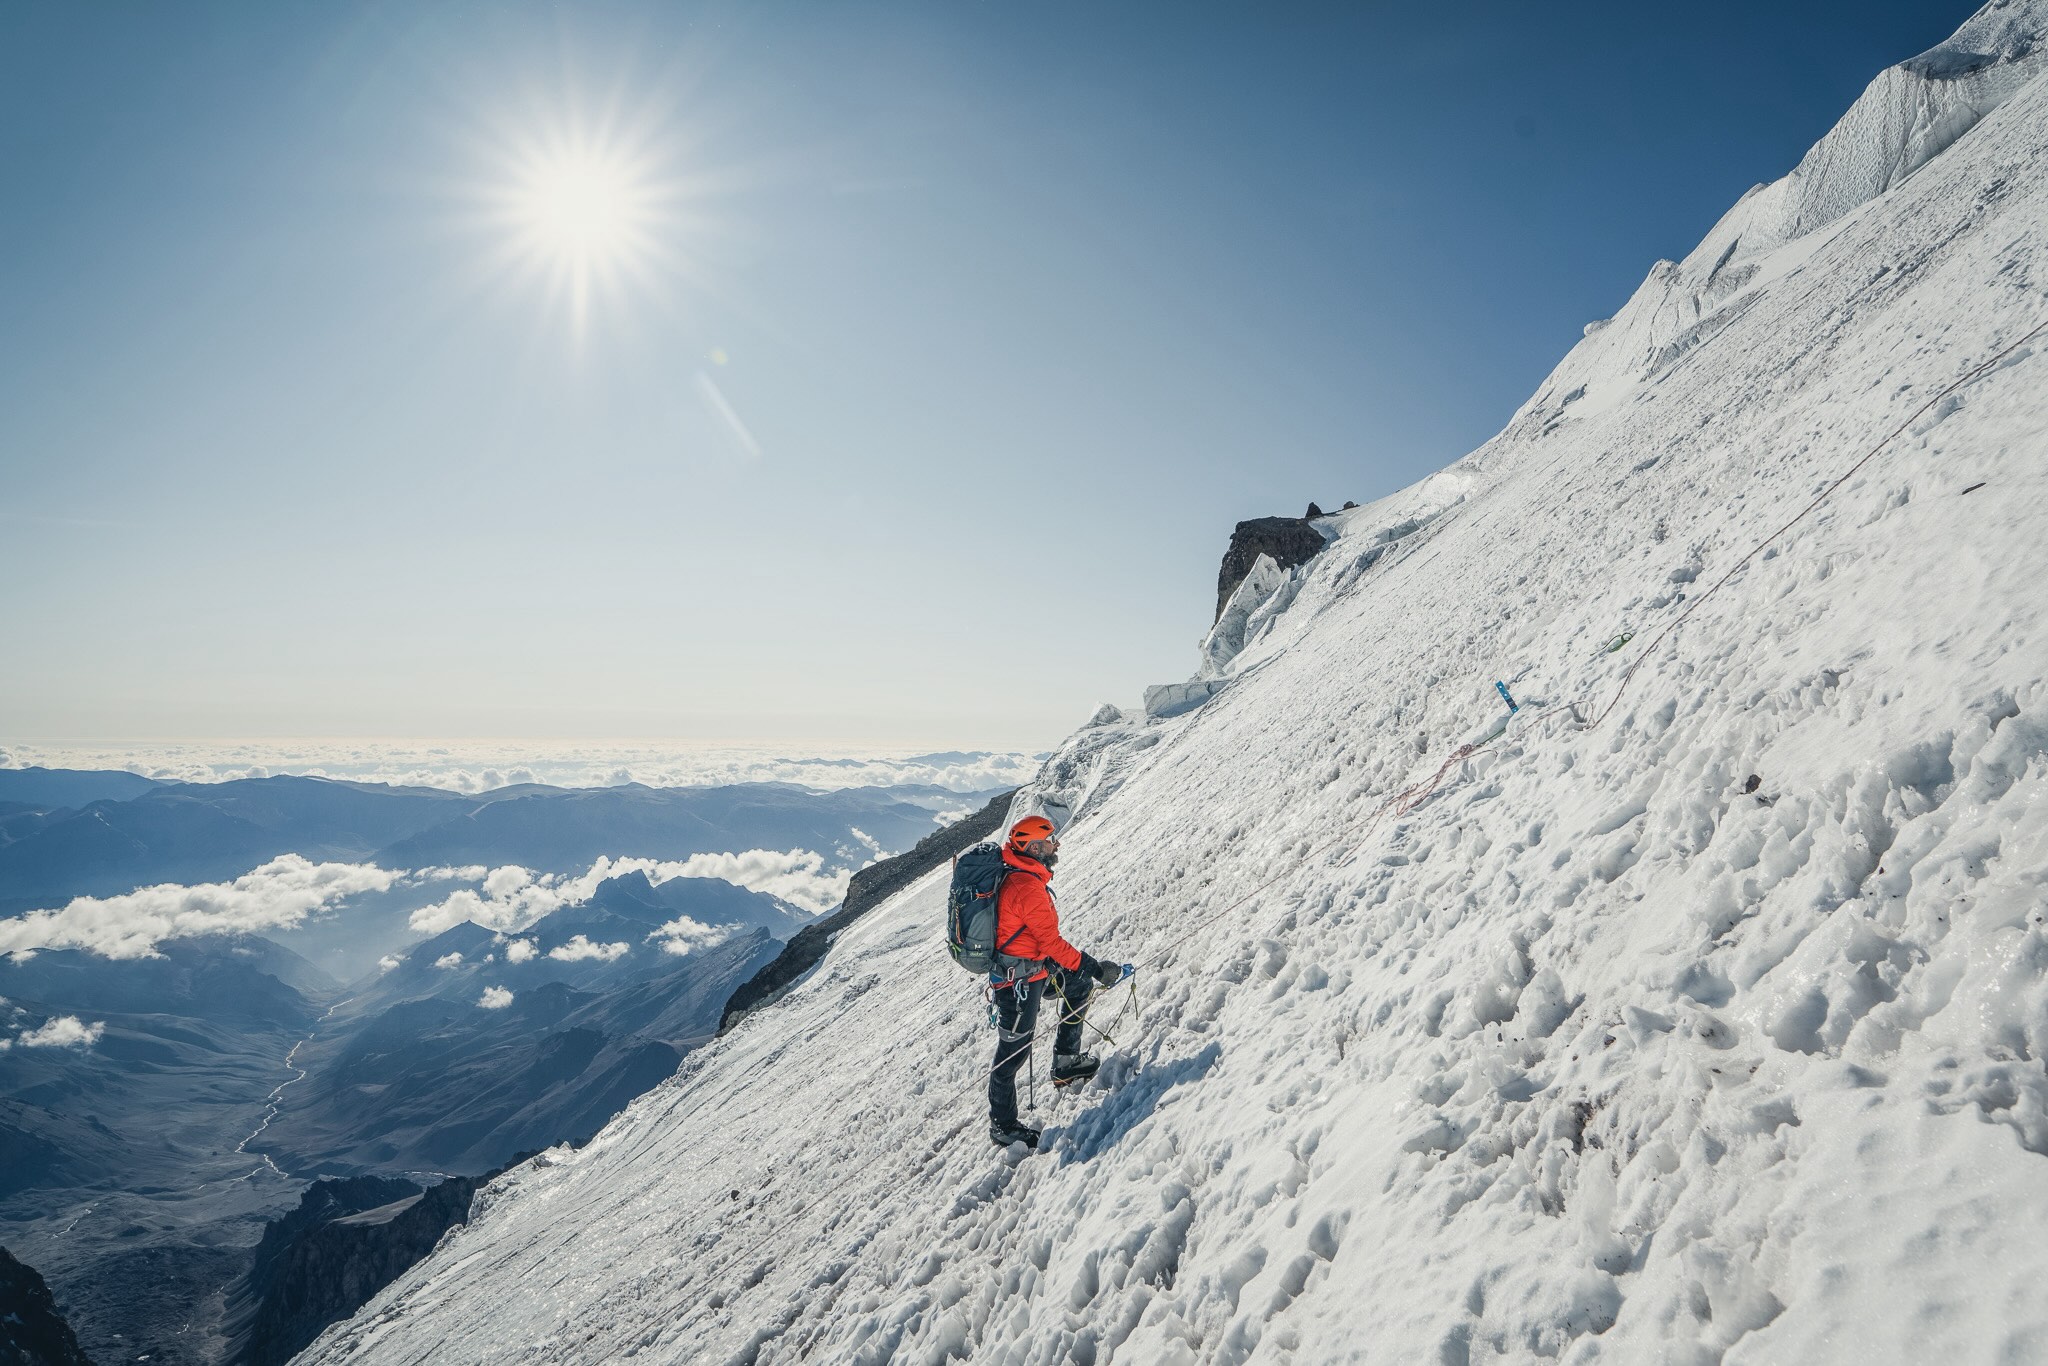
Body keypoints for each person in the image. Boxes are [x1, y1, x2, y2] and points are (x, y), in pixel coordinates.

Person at [987, 815, 1127, 1149]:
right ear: (1034, 847)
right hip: (1017, 984)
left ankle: (1066, 1063)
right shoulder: (1027, 887)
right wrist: (1094, 968)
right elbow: (1051, 942)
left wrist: (1077, 970)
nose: (1056, 844)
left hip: (1033, 970)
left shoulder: (1022, 875)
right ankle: (1003, 1127)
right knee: (1012, 1053)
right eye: (1050, 839)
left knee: (1076, 986)